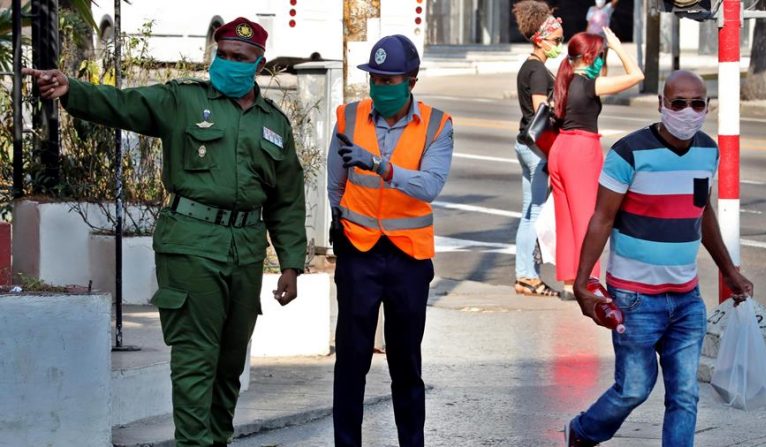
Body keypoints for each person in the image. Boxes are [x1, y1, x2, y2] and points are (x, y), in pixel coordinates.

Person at [24, 17, 307, 447]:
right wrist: (72, 90)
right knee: (196, 360)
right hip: (191, 243)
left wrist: (291, 263)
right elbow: (124, 104)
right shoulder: (184, 100)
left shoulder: (274, 123)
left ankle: (216, 440)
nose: (227, 64)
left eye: (239, 59)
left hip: (246, 251)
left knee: (231, 364)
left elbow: (287, 198)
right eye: (223, 55)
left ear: (258, 63)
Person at [564, 71, 754, 447]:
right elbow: (602, 218)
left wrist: (729, 271)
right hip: (635, 298)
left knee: (684, 396)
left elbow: (702, 211)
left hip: (686, 299)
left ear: (707, 107)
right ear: (662, 105)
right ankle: (584, 431)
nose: (688, 112)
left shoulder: (707, 151)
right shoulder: (629, 152)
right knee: (633, 389)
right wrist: (583, 281)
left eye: (697, 104)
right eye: (678, 103)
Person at [327, 34, 453, 447]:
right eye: (376, 79)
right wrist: (341, 226)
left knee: (405, 363)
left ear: (412, 81)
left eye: (390, 80)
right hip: (358, 254)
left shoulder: (437, 124)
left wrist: (382, 167)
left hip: (408, 261)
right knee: (351, 361)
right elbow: (335, 184)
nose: (381, 87)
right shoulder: (347, 117)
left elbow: (430, 185)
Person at [548, 28, 643, 300]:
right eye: (600, 55)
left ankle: (568, 283)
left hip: (560, 149)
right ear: (590, 57)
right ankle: (587, 281)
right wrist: (617, 46)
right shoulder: (590, 85)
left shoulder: (564, 79)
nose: (603, 59)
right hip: (581, 149)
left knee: (565, 220)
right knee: (588, 218)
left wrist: (606, 53)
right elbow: (637, 75)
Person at [511, 1, 563, 297]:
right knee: (536, 214)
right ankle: (527, 275)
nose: (559, 45)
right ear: (541, 38)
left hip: (524, 145)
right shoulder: (539, 72)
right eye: (556, 41)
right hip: (537, 149)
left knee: (529, 211)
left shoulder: (529, 67)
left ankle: (524, 275)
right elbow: (542, 113)